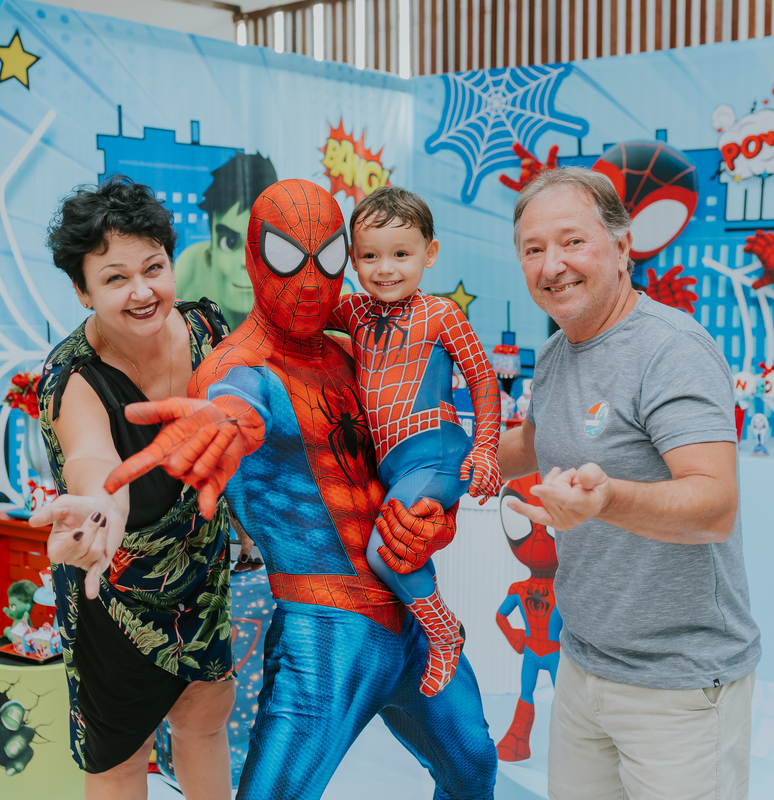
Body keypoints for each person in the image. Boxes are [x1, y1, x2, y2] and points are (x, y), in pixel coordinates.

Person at [103, 178, 499, 800]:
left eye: (331, 258)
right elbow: (237, 403)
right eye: (290, 258)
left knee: (474, 769)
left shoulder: (349, 353)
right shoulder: (240, 370)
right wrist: (222, 417)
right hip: (326, 630)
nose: (313, 282)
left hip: (413, 620)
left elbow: (388, 470)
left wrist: (434, 517)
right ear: (255, 257)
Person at [497, 167, 760, 800]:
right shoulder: (559, 351)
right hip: (583, 666)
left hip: (681, 684)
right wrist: (435, 458)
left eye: (571, 242)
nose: (552, 264)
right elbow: (534, 444)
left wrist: (608, 499)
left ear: (622, 247)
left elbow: (714, 503)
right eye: (534, 250)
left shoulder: (672, 351)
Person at [28, 176, 236, 800]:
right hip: (112, 593)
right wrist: (96, 509)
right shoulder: (73, 380)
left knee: (205, 722)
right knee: (120, 758)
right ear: (81, 290)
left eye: (154, 267)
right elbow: (93, 460)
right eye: (115, 278)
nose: (143, 292)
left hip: (201, 576)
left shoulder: (209, 330)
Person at [327, 185, 502, 696]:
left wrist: (485, 449)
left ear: (431, 253)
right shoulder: (356, 313)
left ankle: (444, 633)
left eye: (401, 254)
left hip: (437, 452)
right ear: (353, 260)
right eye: (370, 256)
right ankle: (403, 647)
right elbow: (303, 311)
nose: (386, 268)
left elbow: (483, 381)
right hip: (391, 465)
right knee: (371, 553)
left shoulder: (442, 314)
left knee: (388, 553)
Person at [173, 153, 278, 330]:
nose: (246, 262)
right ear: (210, 253)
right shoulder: (188, 269)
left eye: (261, 244)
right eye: (230, 242)